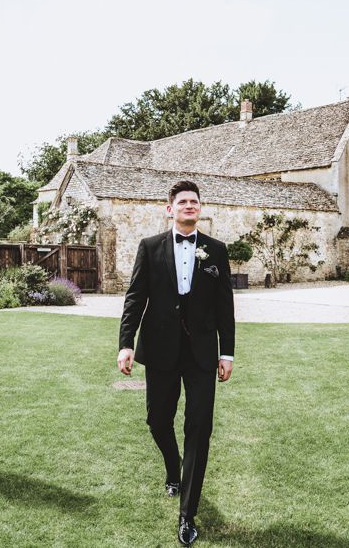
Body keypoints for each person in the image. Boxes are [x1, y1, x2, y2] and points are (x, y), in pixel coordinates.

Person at [117, 181, 235, 546]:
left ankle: (187, 514)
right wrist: (125, 344)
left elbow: (224, 306)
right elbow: (135, 298)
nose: (189, 206)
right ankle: (173, 467)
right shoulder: (150, 248)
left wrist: (226, 352)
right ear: (169, 209)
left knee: (199, 427)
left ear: (200, 209)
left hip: (201, 354)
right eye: (182, 202)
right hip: (161, 350)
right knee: (157, 420)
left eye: (194, 202)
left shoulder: (216, 250)